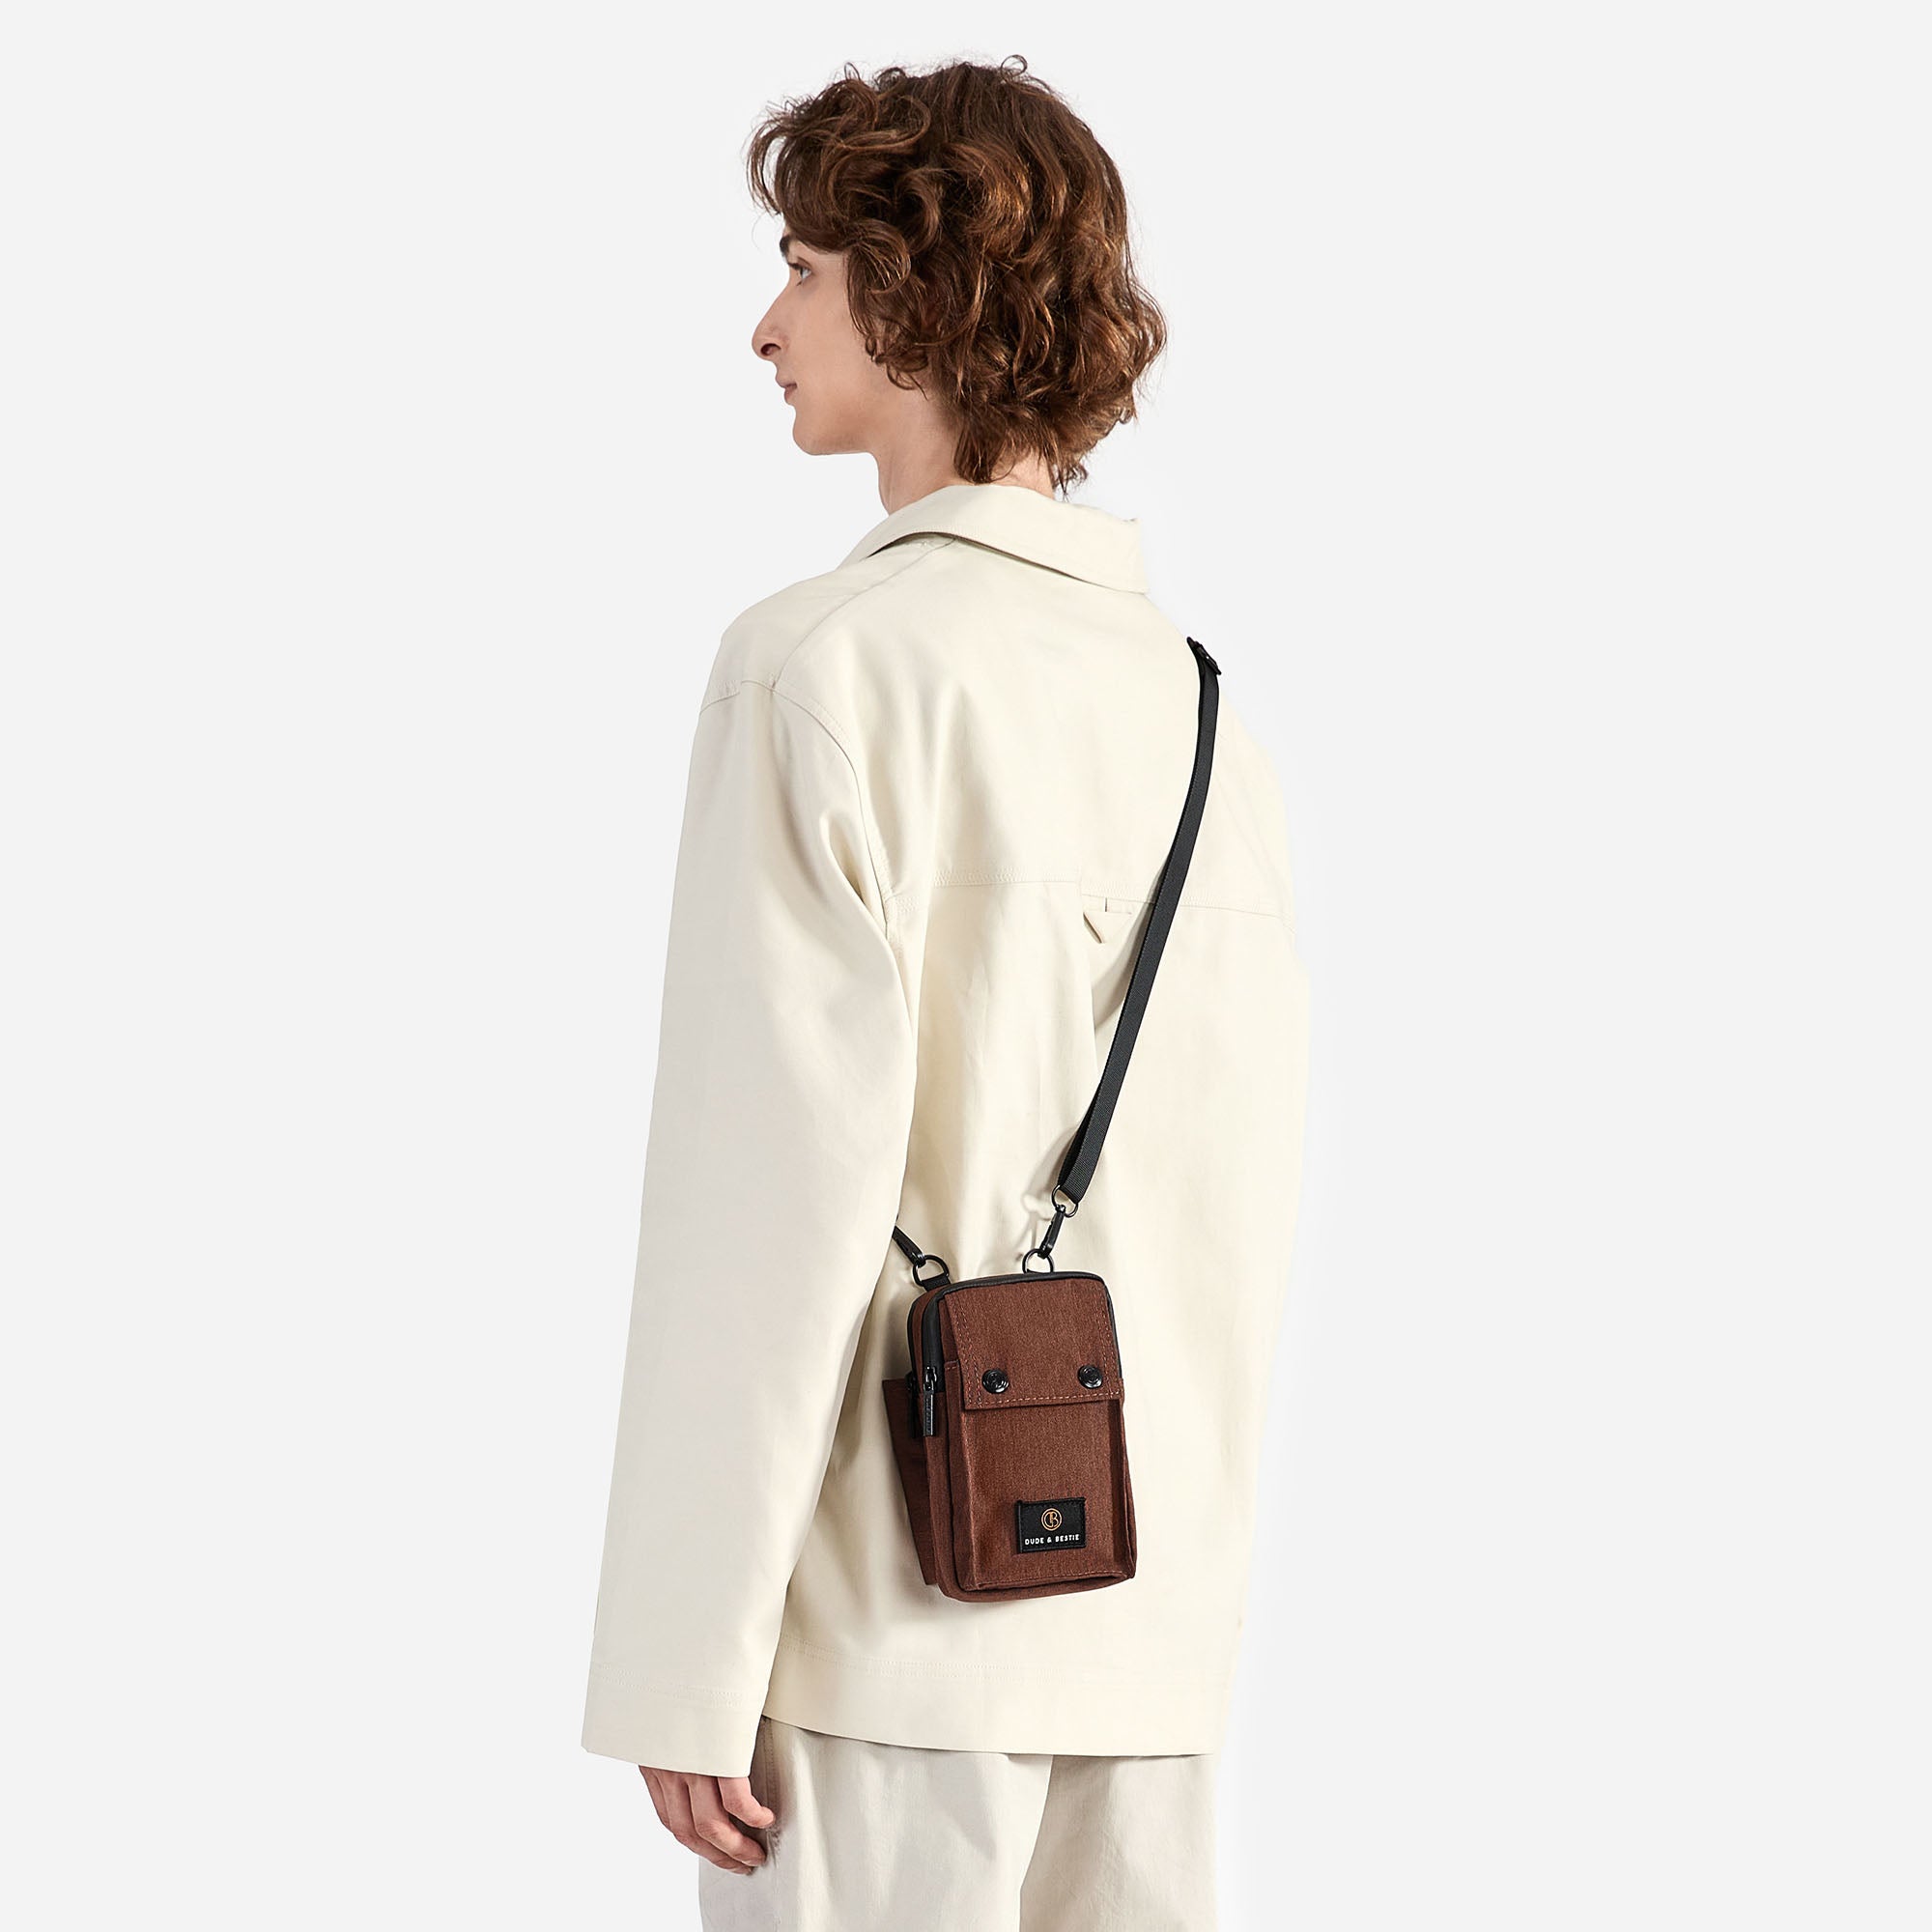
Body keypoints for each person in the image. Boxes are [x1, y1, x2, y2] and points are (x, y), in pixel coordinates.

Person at [582, 54, 1311, 1932]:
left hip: (881, 1632)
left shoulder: (820, 667)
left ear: (917, 295)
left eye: (802, 267)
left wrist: (681, 1659)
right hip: (1146, 1631)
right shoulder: (1199, 706)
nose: (767, 325)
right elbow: (1233, 1184)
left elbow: (763, 1192)